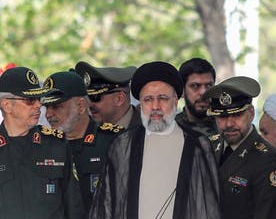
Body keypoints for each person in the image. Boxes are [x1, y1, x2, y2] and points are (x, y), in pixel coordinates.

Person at [89, 61, 221, 219]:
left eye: (163, 98)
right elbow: (106, 205)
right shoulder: (122, 144)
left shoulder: (198, 145)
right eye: (148, 99)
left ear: (176, 101)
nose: (155, 106)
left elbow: (206, 207)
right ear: (141, 103)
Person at [0, 67, 85, 218]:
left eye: (39, 99)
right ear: (7, 105)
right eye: (30, 100)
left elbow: (74, 207)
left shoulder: (56, 144)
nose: (39, 105)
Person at [41, 70, 130, 212]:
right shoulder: (44, 146)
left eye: (57, 106)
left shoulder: (115, 141)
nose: (48, 114)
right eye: (46, 107)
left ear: (81, 106)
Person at [203, 76, 276, 219]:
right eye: (222, 117)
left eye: (237, 115)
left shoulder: (268, 159)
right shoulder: (207, 147)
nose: (229, 124)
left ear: (251, 113)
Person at [75, 61, 140, 128]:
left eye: (95, 97)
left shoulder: (147, 128)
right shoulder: (85, 129)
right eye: (87, 98)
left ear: (119, 99)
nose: (89, 104)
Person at [175, 58, 218, 137]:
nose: (203, 92)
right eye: (195, 86)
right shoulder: (171, 129)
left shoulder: (227, 125)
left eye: (209, 86)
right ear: (182, 91)